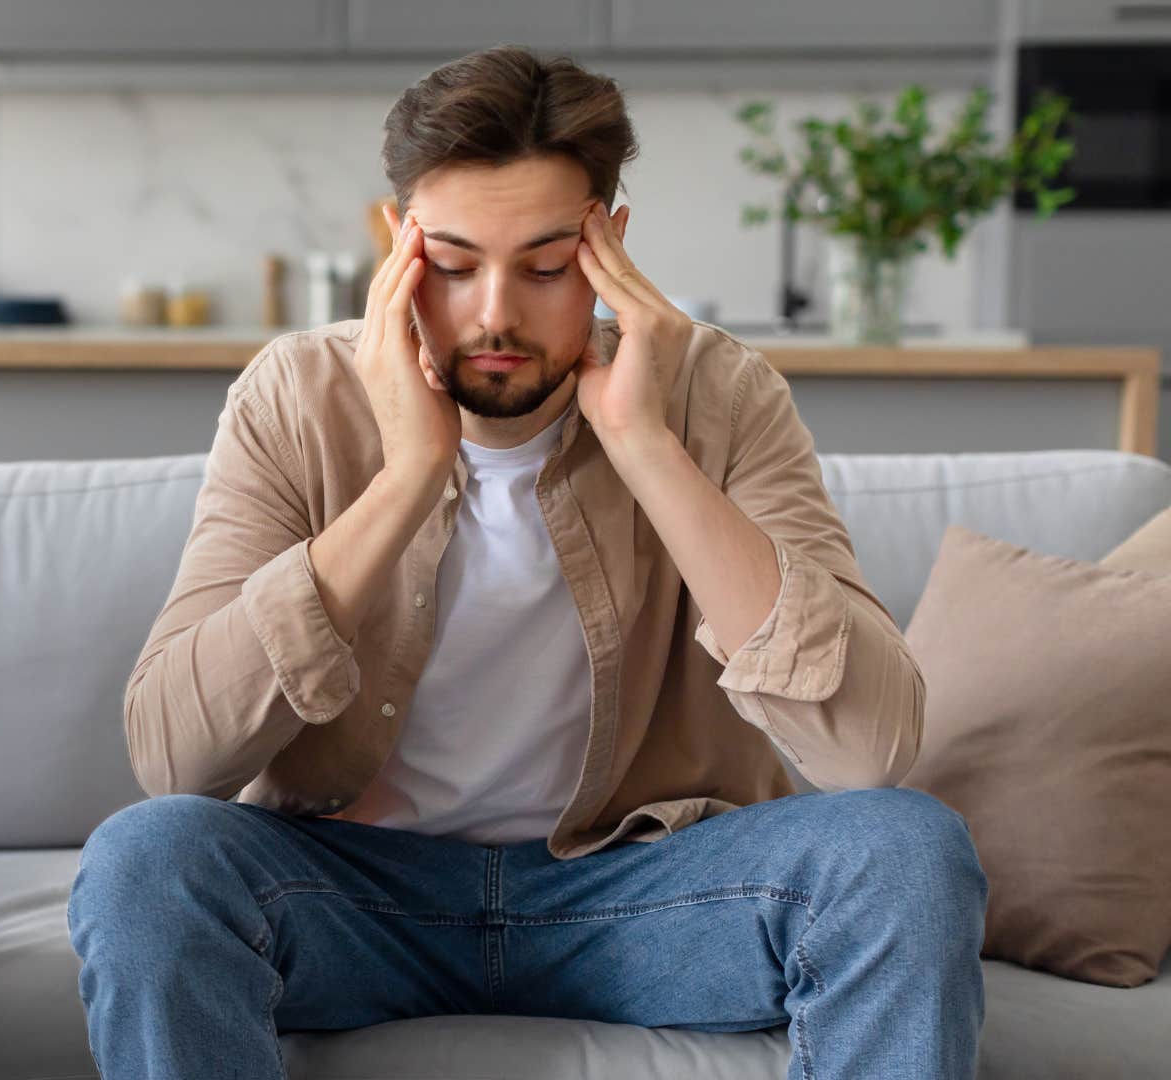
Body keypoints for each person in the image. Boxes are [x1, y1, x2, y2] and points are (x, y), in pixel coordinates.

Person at [69, 46, 986, 1080]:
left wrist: (646, 445)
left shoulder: (720, 396)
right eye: (453, 264)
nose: (495, 312)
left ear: (612, 247)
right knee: (148, 863)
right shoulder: (298, 395)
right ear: (396, 240)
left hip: (645, 896)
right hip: (355, 900)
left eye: (547, 267)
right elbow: (173, 758)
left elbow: (869, 753)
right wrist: (407, 475)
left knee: (908, 852)